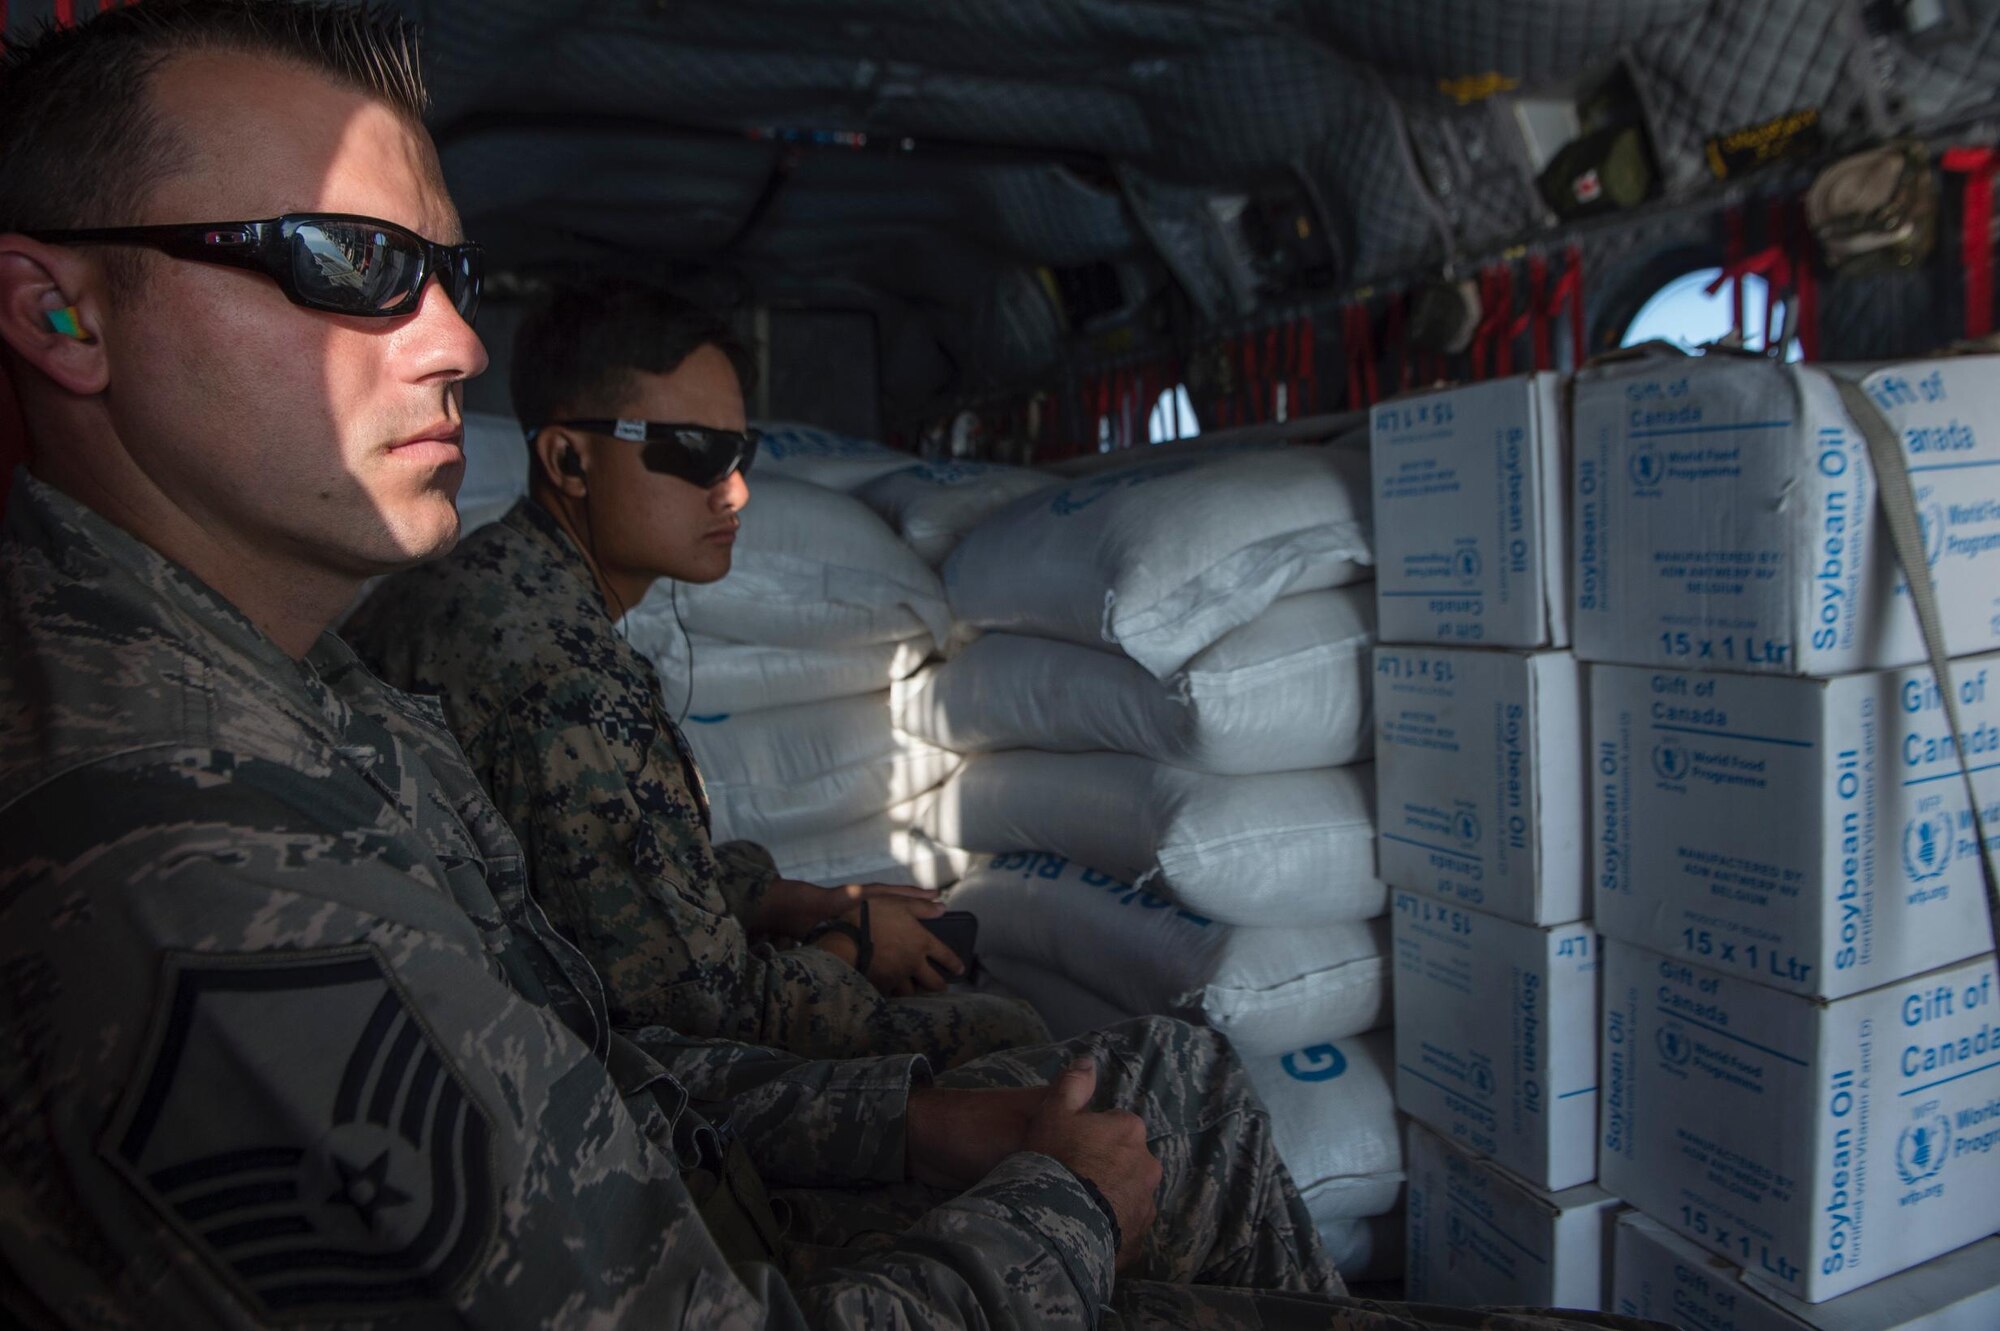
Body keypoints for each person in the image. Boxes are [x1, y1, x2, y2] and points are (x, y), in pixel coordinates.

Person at [0, 4, 1678, 1329]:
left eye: (447, 276)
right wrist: (1060, 1208)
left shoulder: (309, 709)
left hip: (724, 1172)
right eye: (348, 264)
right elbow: (656, 1028)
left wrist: (919, 1110)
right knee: (1085, 1069)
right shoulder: (190, 871)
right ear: (62, 313)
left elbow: (590, 1038)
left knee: (1133, 1065)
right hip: (758, 1250)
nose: (449, 342)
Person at [343, 283, 1050, 1067]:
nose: (737, 488)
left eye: (739, 455)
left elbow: (611, 874)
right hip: (565, 1076)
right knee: (1009, 1036)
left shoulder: (481, 586)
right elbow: (693, 1009)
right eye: (697, 452)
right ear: (569, 460)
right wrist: (852, 947)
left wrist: (796, 902)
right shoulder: (563, 679)